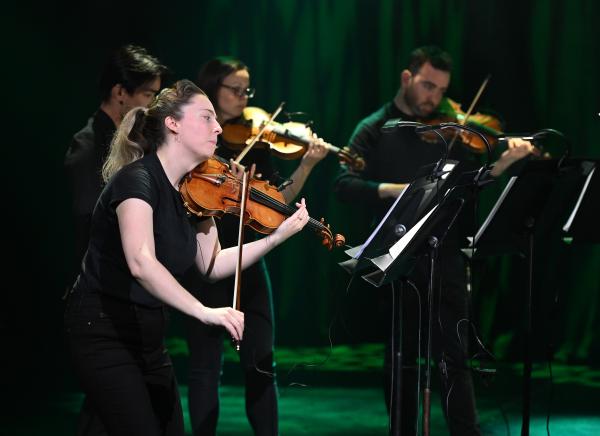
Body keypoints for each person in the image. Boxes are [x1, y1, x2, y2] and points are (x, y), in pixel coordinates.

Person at [64, 79, 311, 436]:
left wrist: (277, 238)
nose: (219, 128)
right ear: (173, 124)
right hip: (103, 330)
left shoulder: (195, 194)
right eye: (206, 118)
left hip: (147, 334)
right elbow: (141, 262)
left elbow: (212, 265)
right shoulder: (137, 181)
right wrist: (205, 311)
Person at [334, 46, 534, 435]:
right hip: (395, 259)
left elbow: (469, 184)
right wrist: (399, 191)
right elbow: (342, 184)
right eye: (428, 86)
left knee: (455, 356)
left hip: (444, 255)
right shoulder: (375, 127)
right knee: (401, 358)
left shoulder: (451, 131)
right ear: (407, 79)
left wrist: (504, 164)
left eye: (441, 90)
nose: (434, 97)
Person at [184, 56, 328, 436]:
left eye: (247, 89)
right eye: (236, 89)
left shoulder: (257, 139)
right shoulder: (192, 134)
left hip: (248, 258)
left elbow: (276, 203)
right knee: (204, 367)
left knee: (262, 363)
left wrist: (307, 166)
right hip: (206, 257)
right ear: (212, 88)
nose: (244, 97)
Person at [64, 43, 168, 436]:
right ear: (120, 93)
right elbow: (91, 221)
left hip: (129, 303)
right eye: (148, 94)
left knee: (107, 417)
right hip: (102, 303)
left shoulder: (137, 145)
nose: (154, 104)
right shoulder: (88, 146)